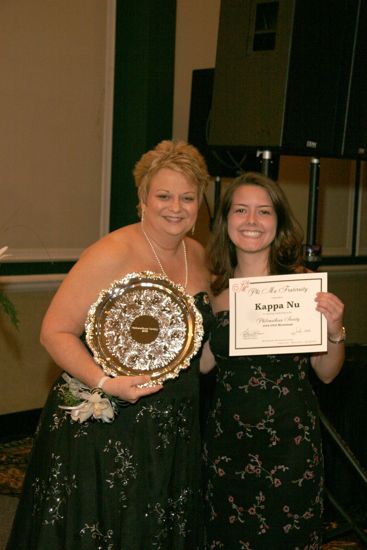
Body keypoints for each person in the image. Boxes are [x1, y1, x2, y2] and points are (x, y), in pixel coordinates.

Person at [7, 140, 213, 550]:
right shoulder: (111, 252)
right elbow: (54, 331)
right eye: (164, 196)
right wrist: (105, 383)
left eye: (188, 197)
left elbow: (200, 350)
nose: (176, 207)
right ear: (142, 199)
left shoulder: (198, 254)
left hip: (173, 423)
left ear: (199, 203)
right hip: (110, 422)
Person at [200, 172, 345, 549]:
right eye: (241, 210)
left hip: (290, 443)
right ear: (226, 221)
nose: (251, 221)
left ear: (278, 223)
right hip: (228, 445)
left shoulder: (302, 285)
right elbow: (202, 367)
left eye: (264, 211)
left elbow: (326, 373)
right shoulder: (212, 290)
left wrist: (334, 330)